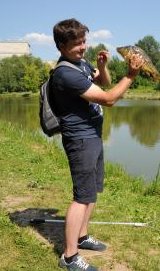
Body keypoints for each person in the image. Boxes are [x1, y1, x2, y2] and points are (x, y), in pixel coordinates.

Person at [51, 18, 144, 271]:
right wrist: (131, 75)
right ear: (61, 46)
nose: (82, 47)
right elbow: (108, 98)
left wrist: (102, 67)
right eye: (76, 44)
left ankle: (81, 237)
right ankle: (69, 256)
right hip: (80, 139)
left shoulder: (80, 64)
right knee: (81, 198)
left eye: (83, 41)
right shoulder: (65, 73)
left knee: (91, 192)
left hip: (92, 136)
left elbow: (102, 82)